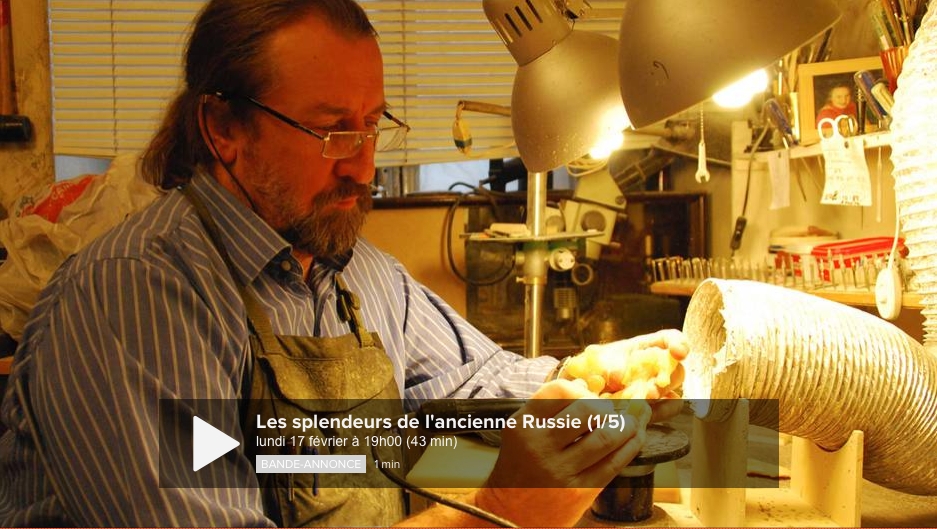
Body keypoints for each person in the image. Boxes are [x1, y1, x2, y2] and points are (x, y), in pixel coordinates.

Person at [0, 0, 687, 526]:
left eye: (372, 125)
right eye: (331, 131)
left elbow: (472, 383)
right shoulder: (131, 302)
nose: (362, 166)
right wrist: (497, 510)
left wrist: (588, 377)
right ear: (224, 128)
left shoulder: (357, 275)